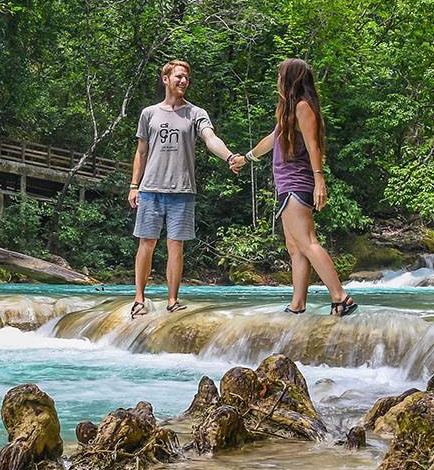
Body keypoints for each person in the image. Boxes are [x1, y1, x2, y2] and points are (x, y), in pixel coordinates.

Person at [234, 58, 358, 317]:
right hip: (286, 184)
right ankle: (298, 303)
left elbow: (313, 145)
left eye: (281, 76)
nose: (278, 80)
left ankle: (340, 296)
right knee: (295, 246)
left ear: (290, 80)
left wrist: (319, 180)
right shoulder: (287, 112)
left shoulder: (303, 107)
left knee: (307, 241)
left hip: (297, 183)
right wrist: (245, 159)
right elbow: (270, 141)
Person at [128, 59, 243, 318]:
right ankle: (138, 299)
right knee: (146, 243)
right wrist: (134, 185)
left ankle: (172, 300)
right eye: (178, 76)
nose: (183, 81)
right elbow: (141, 151)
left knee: (175, 246)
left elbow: (210, 138)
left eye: (187, 78)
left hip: (182, 191)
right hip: (151, 189)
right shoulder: (149, 113)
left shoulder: (195, 113)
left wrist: (229, 157)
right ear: (165, 79)